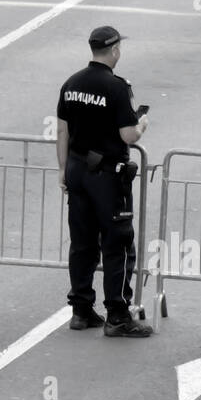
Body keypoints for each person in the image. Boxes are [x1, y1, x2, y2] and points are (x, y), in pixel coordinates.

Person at [55, 26, 152, 337]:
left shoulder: (71, 83)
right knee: (118, 243)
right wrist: (142, 124)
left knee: (82, 244)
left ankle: (81, 311)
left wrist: (62, 170)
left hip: (77, 170)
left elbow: (62, 132)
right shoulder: (116, 87)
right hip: (107, 176)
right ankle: (118, 315)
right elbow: (128, 135)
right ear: (113, 51)